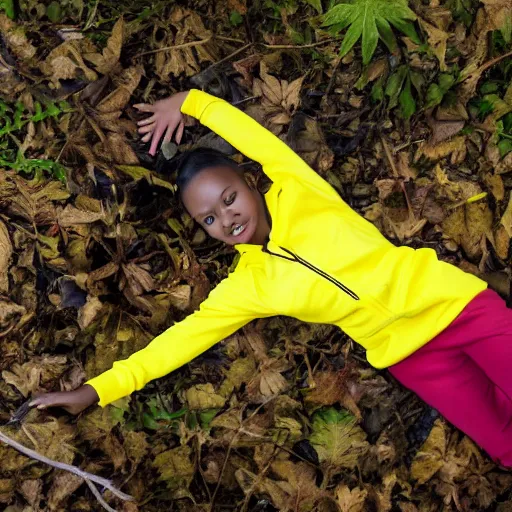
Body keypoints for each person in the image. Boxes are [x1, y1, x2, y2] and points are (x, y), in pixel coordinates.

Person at [31, 89, 512, 467]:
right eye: (208, 220)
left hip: (460, 309)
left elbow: (251, 136)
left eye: (227, 198)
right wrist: (94, 391)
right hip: (412, 357)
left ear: (248, 182)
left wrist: (191, 104)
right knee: (503, 446)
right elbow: (177, 344)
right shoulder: (248, 286)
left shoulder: (299, 188)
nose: (225, 218)